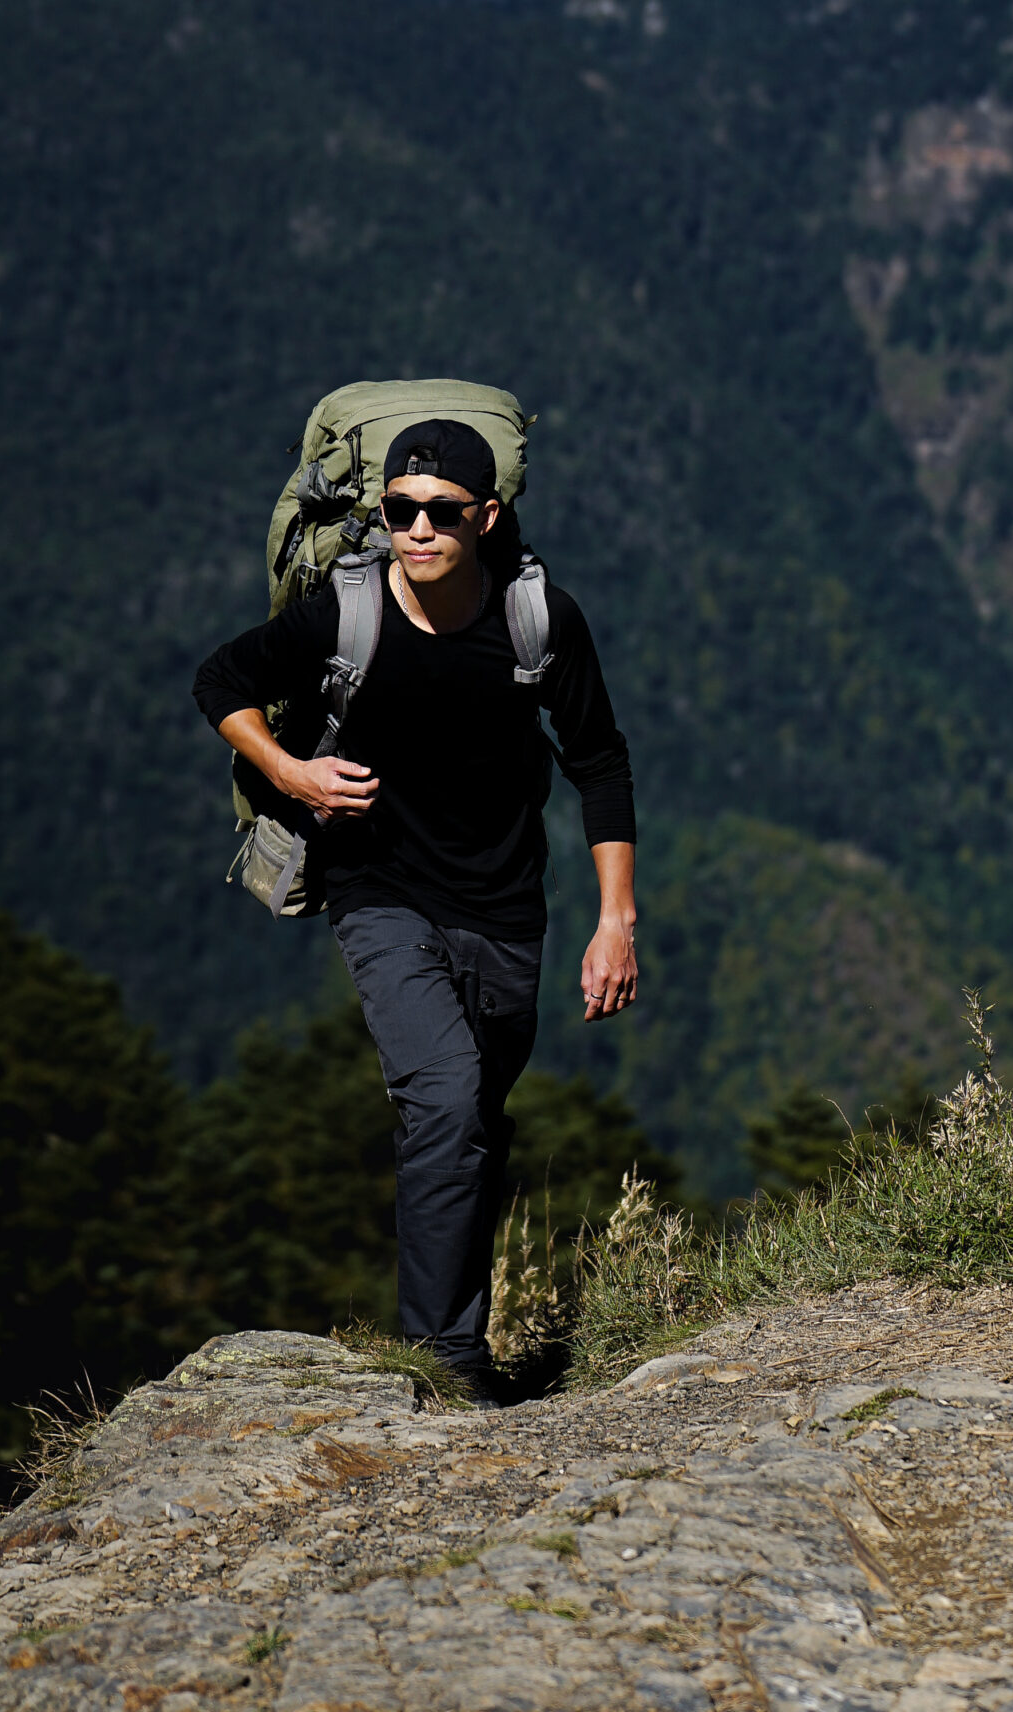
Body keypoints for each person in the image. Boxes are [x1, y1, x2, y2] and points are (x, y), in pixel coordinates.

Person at [192, 417, 636, 1402]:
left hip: (508, 909)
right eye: (399, 509)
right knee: (442, 1093)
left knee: (474, 1112)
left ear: (485, 516)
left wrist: (616, 920)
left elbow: (598, 759)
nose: (418, 528)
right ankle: (445, 1358)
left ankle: (456, 1330)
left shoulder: (538, 620)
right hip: (378, 892)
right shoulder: (340, 614)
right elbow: (220, 679)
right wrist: (290, 770)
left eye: (440, 512)